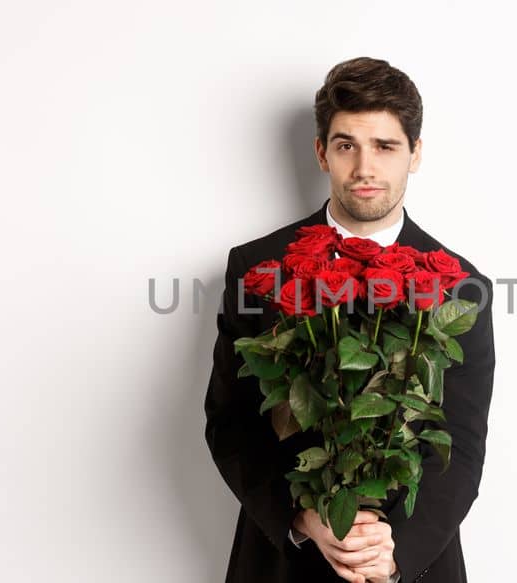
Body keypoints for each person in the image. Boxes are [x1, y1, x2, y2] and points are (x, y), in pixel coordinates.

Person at [204, 57, 497, 583]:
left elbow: (462, 439)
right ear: (322, 152)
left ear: (415, 154)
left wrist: (395, 552)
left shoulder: (461, 286)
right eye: (346, 146)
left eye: (385, 146)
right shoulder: (256, 267)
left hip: (411, 566)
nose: (365, 168)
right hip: (284, 561)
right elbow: (232, 422)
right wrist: (302, 518)